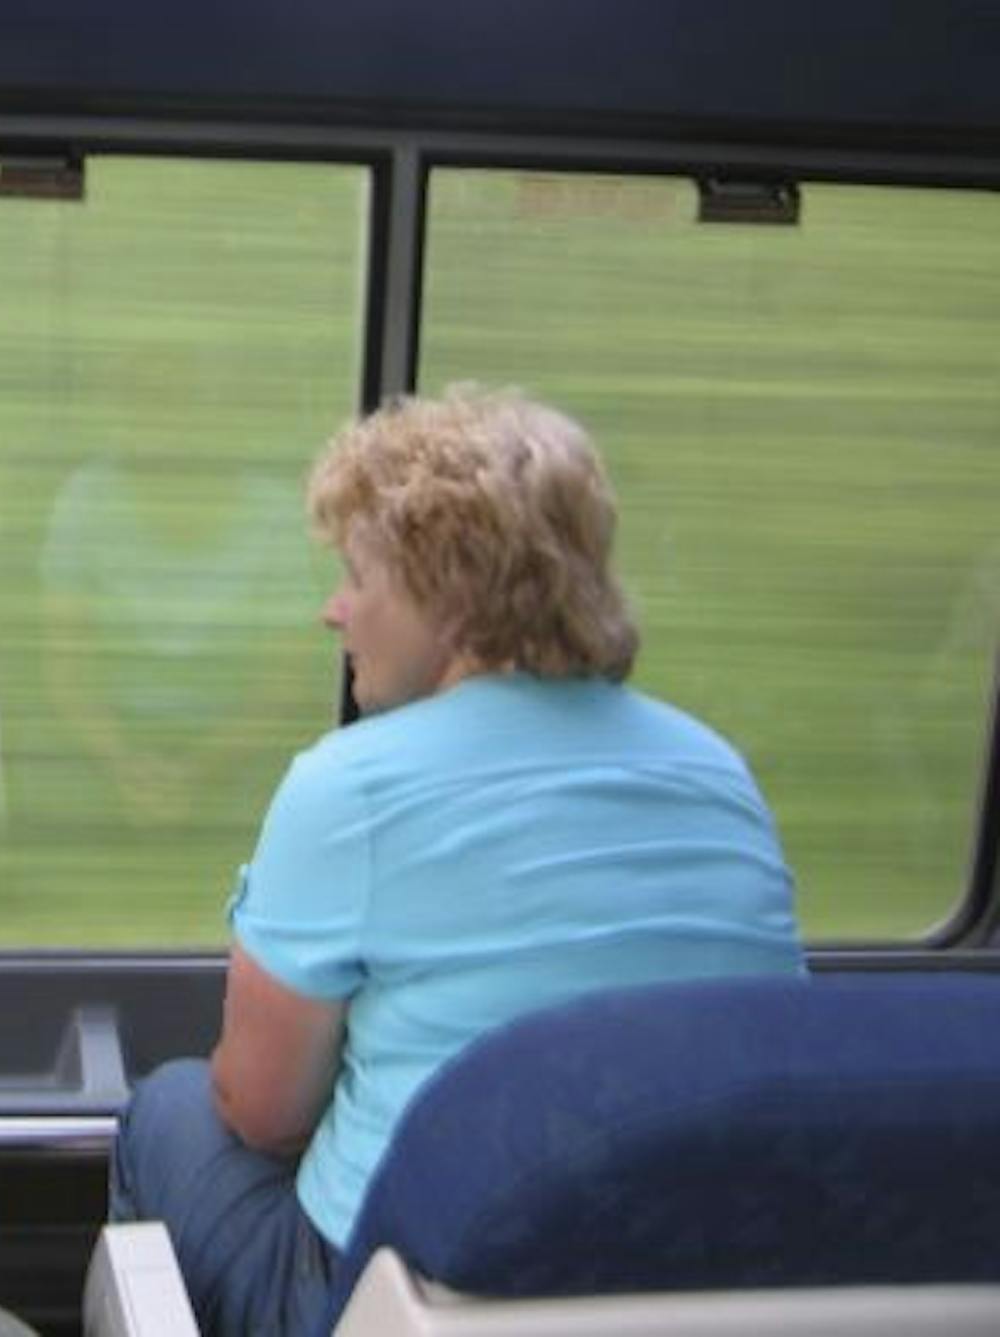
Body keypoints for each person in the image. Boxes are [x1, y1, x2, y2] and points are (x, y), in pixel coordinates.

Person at [108, 387, 804, 1336]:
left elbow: (259, 1111)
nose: (333, 608)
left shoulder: (349, 787)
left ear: (447, 591)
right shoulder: (720, 774)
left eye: (357, 574)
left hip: (405, 1296)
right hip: (683, 1286)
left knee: (171, 1108)